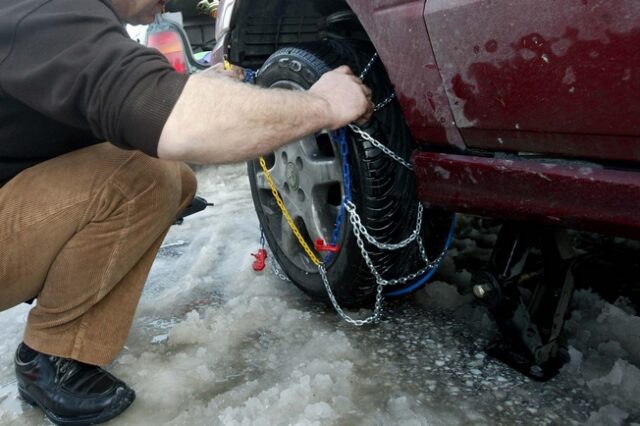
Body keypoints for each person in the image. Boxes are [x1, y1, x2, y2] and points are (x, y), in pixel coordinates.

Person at [0, 0, 373, 424]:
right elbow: (174, 121)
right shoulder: (47, 11)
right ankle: (50, 355)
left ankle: (61, 336)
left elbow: (117, 109)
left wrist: (198, 87)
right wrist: (323, 105)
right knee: (143, 179)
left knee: (173, 179)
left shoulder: (73, 19)